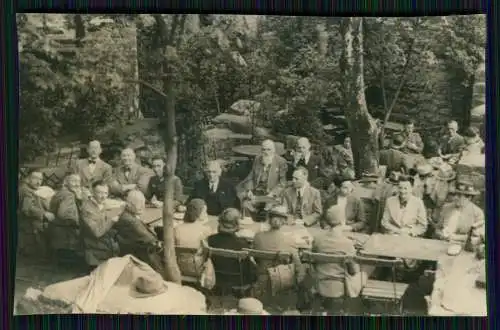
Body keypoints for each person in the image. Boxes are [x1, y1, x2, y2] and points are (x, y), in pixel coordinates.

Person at [312, 205, 366, 315]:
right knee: (363, 274)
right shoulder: (347, 243)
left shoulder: (318, 239)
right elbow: (353, 271)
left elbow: (313, 259)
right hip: (340, 285)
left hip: (320, 282)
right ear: (342, 221)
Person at [252, 206, 303, 297]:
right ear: (283, 222)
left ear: (269, 219)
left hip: (262, 273)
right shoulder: (289, 239)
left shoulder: (258, 236)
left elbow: (256, 259)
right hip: (282, 276)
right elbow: (297, 263)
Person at [206, 208, 257, 294]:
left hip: (216, 277)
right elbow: (249, 267)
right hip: (237, 280)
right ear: (237, 224)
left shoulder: (211, 240)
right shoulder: (242, 244)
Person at [238, 140, 288, 218]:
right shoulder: (258, 159)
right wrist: (249, 190)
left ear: (274, 150)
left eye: (269, 149)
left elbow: (282, 183)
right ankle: (251, 224)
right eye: (263, 149)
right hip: (257, 192)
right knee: (246, 205)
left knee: (270, 209)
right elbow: (251, 176)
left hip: (271, 194)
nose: (266, 152)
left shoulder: (281, 161)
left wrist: (273, 193)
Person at [79, 181, 121, 269]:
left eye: (106, 193)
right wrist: (112, 220)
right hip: (95, 251)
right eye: (99, 193)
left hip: (106, 244)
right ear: (92, 192)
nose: (103, 196)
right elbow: (97, 232)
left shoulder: (101, 204)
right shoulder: (87, 209)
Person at [114, 190, 159, 266]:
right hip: (139, 255)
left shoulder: (128, 214)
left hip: (133, 250)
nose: (142, 206)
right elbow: (150, 239)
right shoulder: (130, 220)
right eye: (139, 203)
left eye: (143, 202)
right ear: (129, 204)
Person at [48, 174, 86, 265]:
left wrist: (79, 199)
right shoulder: (68, 195)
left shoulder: (66, 193)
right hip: (64, 231)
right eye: (73, 181)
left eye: (78, 182)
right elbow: (65, 216)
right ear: (66, 182)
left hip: (57, 228)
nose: (77, 184)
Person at [18, 170, 55, 259]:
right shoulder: (26, 191)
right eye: (35, 179)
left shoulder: (31, 189)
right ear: (28, 179)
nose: (38, 182)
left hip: (32, 225)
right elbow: (27, 209)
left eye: (40, 179)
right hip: (29, 227)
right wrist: (44, 213)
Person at [434, 181, 484, 246]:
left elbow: (478, 237)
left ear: (469, 198)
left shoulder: (477, 213)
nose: (455, 198)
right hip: (442, 243)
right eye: (455, 195)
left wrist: (455, 237)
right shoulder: (446, 207)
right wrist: (441, 235)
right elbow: (438, 228)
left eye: (459, 196)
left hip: (463, 246)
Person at [174, 199, 213, 277]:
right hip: (197, 269)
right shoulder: (206, 230)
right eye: (204, 212)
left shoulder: (176, 228)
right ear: (199, 214)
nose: (206, 214)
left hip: (177, 267)